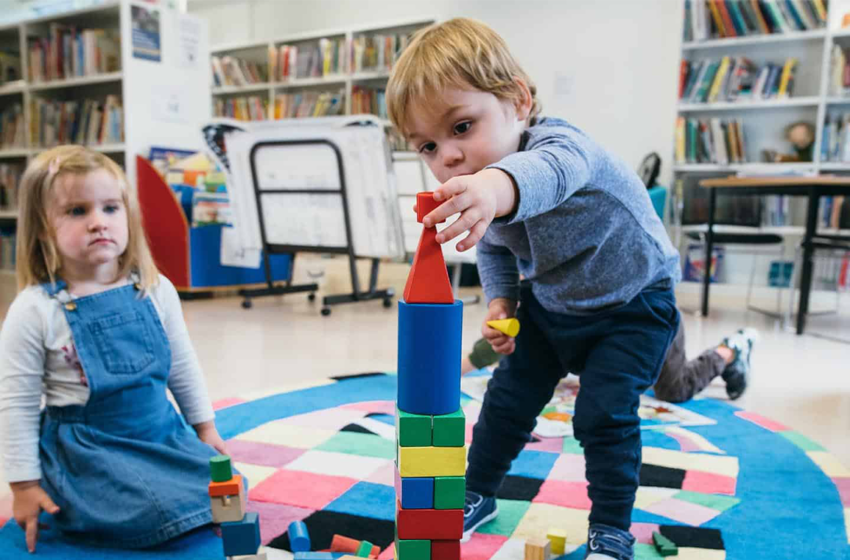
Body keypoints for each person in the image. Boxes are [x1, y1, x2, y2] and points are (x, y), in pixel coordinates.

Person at [387, 18, 681, 560]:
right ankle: (477, 491)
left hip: (635, 304)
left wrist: (491, 189)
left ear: (518, 101)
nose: (446, 156)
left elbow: (542, 174)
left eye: (461, 127)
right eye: (427, 145)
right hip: (552, 304)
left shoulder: (563, 147)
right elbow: (498, 245)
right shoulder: (486, 187)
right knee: (505, 401)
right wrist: (502, 299)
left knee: (603, 415)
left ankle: (612, 528)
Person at [0, 146, 227, 553]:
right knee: (141, 508)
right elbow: (15, 404)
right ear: (41, 229)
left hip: (159, 431)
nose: (97, 223)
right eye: (76, 211)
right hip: (89, 449)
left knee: (218, 487)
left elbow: (182, 367)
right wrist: (23, 485)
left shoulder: (155, 289)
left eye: (110, 208)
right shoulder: (35, 310)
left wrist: (205, 428)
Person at [462, 326, 759, 403]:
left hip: (649, 318)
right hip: (605, 340)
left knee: (673, 389)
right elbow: (486, 350)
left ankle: (730, 350)